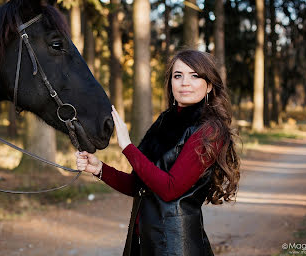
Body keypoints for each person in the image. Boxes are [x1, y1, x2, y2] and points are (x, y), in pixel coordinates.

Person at [76, 50, 240, 256]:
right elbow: (139, 185)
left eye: (194, 75)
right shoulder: (165, 121)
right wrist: (99, 169)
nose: (184, 83)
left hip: (175, 247)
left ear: (208, 85)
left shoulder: (209, 130)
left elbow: (170, 188)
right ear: (171, 83)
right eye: (177, 76)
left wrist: (127, 147)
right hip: (143, 241)